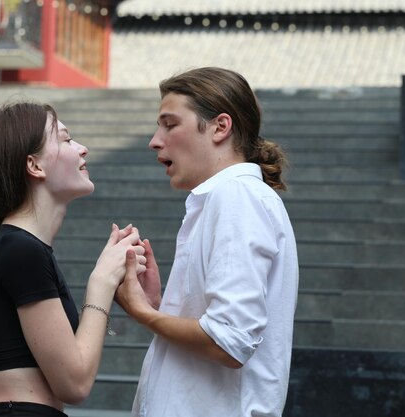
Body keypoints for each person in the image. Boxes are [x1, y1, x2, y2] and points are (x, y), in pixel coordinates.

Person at [115, 67, 299, 417]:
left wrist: (142, 313)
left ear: (220, 127)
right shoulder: (226, 198)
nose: (155, 140)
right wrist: (158, 308)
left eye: (170, 124)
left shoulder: (236, 196)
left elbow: (230, 341)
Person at [0, 102, 146, 417]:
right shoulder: (19, 250)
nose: (82, 149)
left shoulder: (18, 247)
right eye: (66, 140)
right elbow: (74, 383)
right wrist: (102, 281)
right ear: (34, 166)